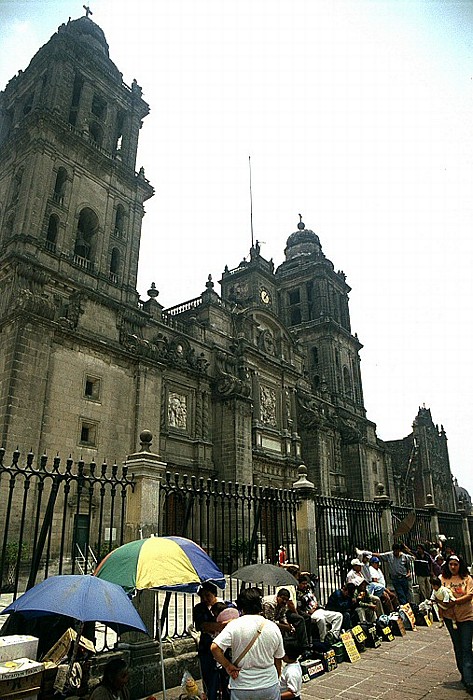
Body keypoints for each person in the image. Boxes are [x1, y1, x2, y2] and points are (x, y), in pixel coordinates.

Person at [211, 587, 285, 700]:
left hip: (242, 685)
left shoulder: (234, 625)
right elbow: (278, 659)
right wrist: (276, 677)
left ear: (241, 607)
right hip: (268, 684)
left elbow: (215, 648)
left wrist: (227, 665)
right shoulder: (272, 626)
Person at [440, 554, 473, 694]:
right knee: (458, 646)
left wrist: (455, 602)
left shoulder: (467, 578)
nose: (453, 567)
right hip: (450, 618)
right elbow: (437, 595)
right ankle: (465, 675)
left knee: (466, 647)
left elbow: (470, 595)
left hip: (466, 616)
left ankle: (470, 680)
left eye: (456, 564)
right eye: (451, 564)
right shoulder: (442, 579)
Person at [193, 581, 226, 700]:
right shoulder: (199, 608)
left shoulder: (225, 606)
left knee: (225, 679)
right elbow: (204, 626)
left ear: (214, 594)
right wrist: (223, 624)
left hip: (224, 649)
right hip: (206, 648)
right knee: (209, 680)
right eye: (202, 596)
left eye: (208, 595)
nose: (205, 599)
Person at [262, 588, 309, 655]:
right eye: (282, 598)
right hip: (265, 621)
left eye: (286, 600)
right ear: (278, 596)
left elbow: (283, 616)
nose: (284, 601)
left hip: (275, 619)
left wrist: (288, 625)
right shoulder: (269, 603)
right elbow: (270, 621)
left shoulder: (284, 604)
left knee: (299, 620)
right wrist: (285, 627)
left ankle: (302, 647)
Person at [296, 576, 343, 643]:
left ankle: (333, 635)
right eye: (303, 584)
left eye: (306, 583)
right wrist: (309, 611)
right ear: (299, 584)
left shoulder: (308, 590)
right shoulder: (298, 594)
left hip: (319, 610)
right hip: (311, 613)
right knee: (321, 619)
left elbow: (314, 579)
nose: (305, 585)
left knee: (338, 615)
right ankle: (323, 640)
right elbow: (300, 609)